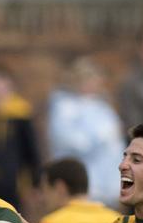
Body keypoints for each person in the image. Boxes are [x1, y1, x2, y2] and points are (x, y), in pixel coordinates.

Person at [48, 57, 126, 206]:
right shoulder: (65, 107)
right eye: (89, 79)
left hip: (108, 186)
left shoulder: (103, 106)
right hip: (81, 184)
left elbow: (116, 142)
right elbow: (72, 141)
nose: (94, 84)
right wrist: (100, 137)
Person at [0, 67, 40, 214]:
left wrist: (35, 183)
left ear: (8, 87)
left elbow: (31, 150)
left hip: (12, 180)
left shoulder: (21, 114)